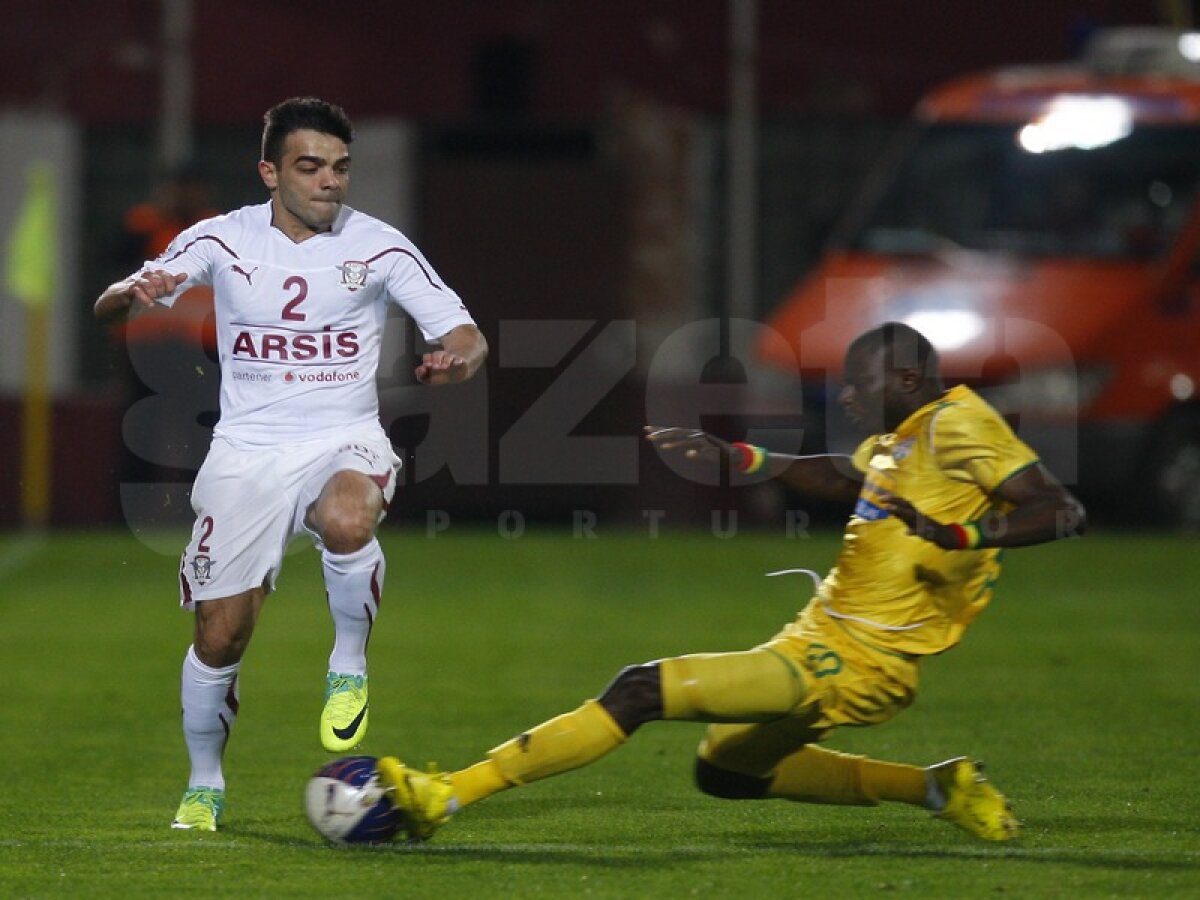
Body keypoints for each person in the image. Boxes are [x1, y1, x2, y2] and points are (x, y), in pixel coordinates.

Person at [377, 322, 1085, 843]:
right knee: (723, 774)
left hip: (860, 658)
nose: (845, 395)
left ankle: (445, 795)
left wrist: (960, 536)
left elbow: (1060, 510)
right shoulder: (906, 436)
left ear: (904, 380)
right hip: (824, 634)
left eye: (858, 383)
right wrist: (741, 456)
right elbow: (846, 475)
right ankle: (938, 786)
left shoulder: (960, 425)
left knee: (640, 688)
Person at [94, 97, 488, 832]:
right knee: (220, 636)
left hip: (344, 437)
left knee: (348, 517)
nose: (329, 181)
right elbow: (110, 306)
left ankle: (348, 664)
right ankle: (205, 783)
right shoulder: (222, 237)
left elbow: (467, 336)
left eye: (340, 167)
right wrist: (129, 293)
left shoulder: (381, 247)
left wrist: (454, 361)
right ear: (270, 172)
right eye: (310, 166)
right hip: (246, 452)